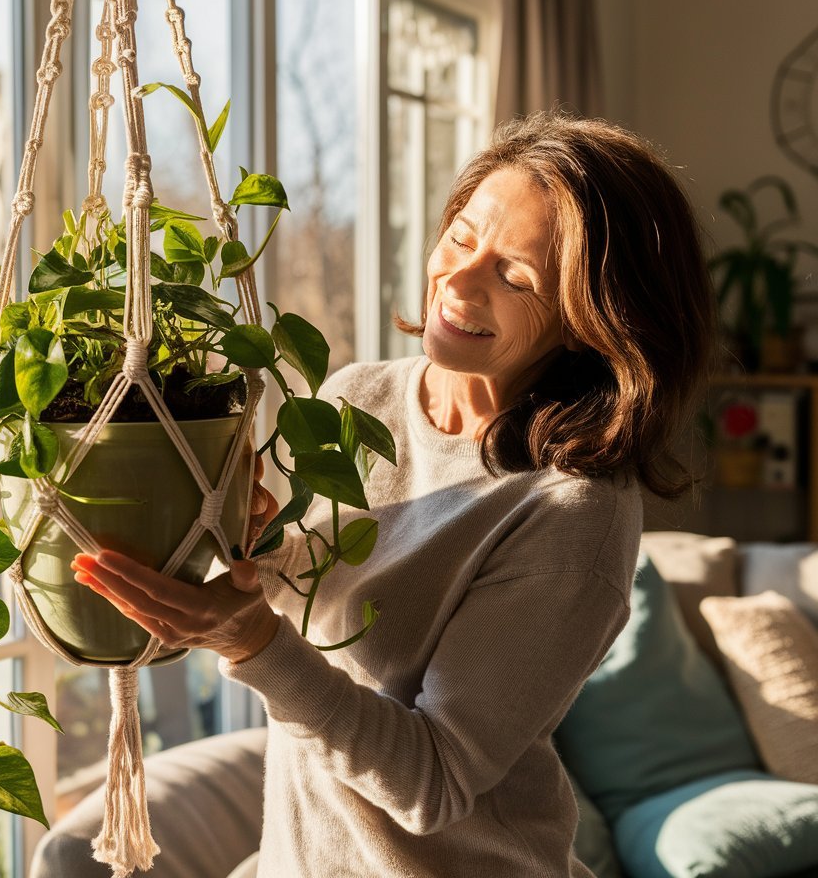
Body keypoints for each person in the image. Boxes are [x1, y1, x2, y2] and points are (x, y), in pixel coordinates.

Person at [71, 110, 717, 877]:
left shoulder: (572, 514)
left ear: (588, 320)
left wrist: (250, 642)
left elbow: (434, 781)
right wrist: (247, 550)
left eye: (517, 276)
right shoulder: (359, 396)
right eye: (462, 237)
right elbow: (300, 602)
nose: (461, 281)